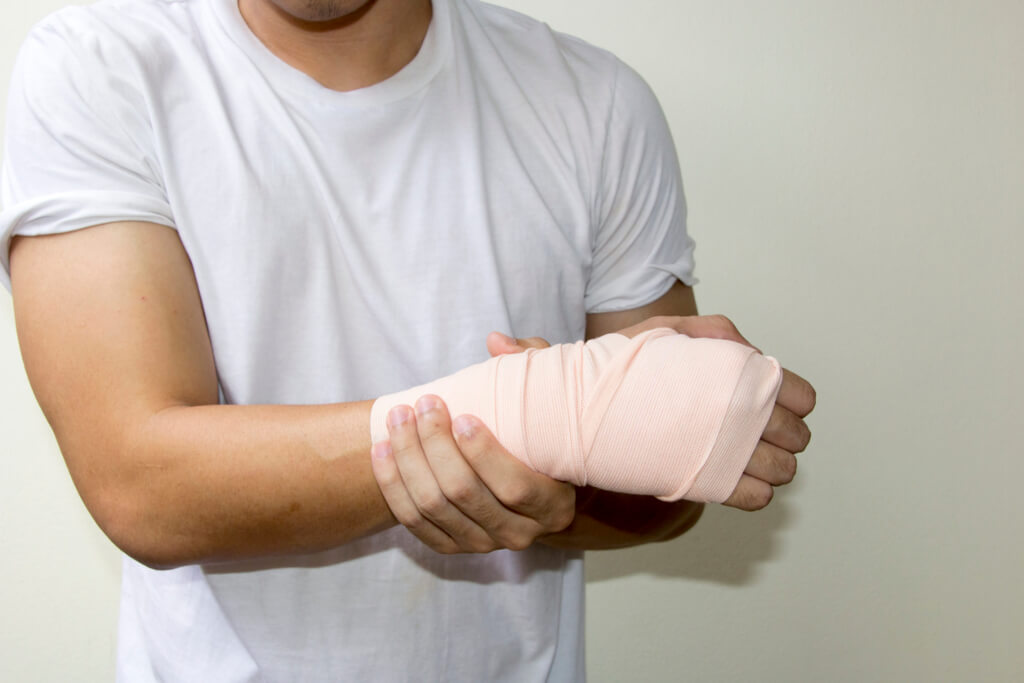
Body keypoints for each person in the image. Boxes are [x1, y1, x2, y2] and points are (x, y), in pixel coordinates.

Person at [0, 0, 815, 680]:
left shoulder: (596, 103)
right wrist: (529, 418)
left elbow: (668, 492)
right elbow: (140, 481)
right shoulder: (101, 68)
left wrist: (570, 472)